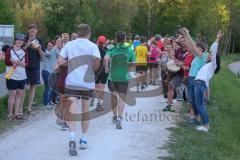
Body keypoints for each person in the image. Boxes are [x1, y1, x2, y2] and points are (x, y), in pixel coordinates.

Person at [56, 24, 100, 156]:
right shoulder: (93, 46)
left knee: (72, 109)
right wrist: (93, 69)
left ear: (78, 32)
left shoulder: (69, 44)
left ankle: (72, 137)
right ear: (89, 33)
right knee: (85, 110)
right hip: (87, 82)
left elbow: (59, 60)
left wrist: (70, 64)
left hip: (72, 82)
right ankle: (84, 140)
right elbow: (97, 62)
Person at [104, 31, 136, 129]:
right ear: (125, 38)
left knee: (114, 97)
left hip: (112, 77)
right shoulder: (129, 49)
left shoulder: (111, 48)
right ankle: (120, 118)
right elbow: (134, 62)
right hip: (123, 77)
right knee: (122, 99)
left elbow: (105, 59)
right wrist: (130, 70)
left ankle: (114, 116)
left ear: (115, 38)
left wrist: (106, 68)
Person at [194, 30, 223, 132]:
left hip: (200, 84)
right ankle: (204, 124)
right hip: (199, 83)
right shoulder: (207, 65)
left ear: (214, 58)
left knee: (200, 105)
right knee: (200, 105)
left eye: (209, 54)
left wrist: (217, 38)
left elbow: (213, 50)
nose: (208, 55)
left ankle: (206, 126)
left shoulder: (212, 65)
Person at [5, 33, 28, 120]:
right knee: (12, 94)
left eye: (22, 40)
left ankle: (17, 113)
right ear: (15, 40)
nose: (20, 41)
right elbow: (7, 61)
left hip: (22, 76)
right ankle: (10, 114)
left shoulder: (24, 51)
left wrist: (19, 63)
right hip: (12, 75)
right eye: (18, 39)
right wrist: (14, 62)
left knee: (19, 94)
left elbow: (27, 64)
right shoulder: (9, 50)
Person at [162, 35, 188, 112]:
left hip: (184, 73)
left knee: (187, 92)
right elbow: (173, 58)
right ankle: (169, 105)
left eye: (184, 41)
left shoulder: (189, 51)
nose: (182, 42)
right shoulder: (179, 50)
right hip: (175, 72)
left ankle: (191, 111)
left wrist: (178, 62)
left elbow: (184, 63)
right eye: (181, 41)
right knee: (170, 85)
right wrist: (169, 52)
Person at [24, 23, 45, 115]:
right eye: (31, 29)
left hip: (35, 66)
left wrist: (39, 49)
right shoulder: (23, 39)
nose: (32, 30)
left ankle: (29, 108)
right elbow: (18, 52)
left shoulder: (39, 40)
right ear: (28, 31)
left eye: (34, 29)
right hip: (24, 67)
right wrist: (27, 45)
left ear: (36, 31)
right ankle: (20, 109)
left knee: (33, 87)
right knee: (22, 87)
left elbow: (42, 56)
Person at [42, 37, 62, 109]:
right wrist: (56, 46)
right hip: (47, 71)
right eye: (58, 41)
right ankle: (47, 103)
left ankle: (48, 101)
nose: (60, 42)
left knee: (49, 88)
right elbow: (49, 55)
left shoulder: (55, 50)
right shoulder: (51, 50)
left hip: (52, 71)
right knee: (49, 88)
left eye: (60, 41)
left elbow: (59, 56)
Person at [91, 35, 108, 111]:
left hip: (96, 70)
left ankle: (93, 96)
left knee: (96, 86)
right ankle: (98, 104)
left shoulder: (94, 49)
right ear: (105, 42)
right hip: (104, 70)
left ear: (98, 41)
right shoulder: (107, 50)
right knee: (102, 88)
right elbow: (108, 60)